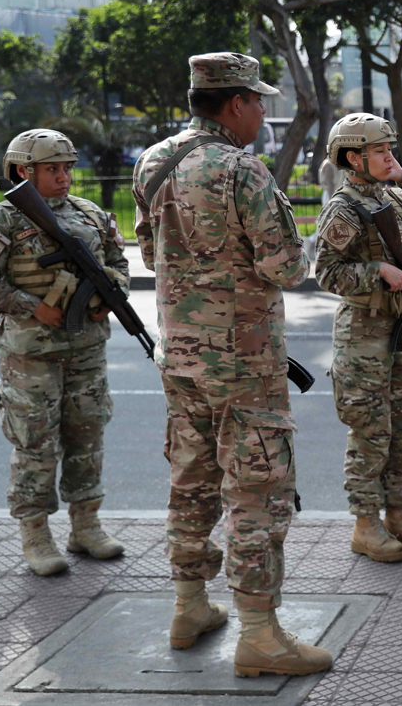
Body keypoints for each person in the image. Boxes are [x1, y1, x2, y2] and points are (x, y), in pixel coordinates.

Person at [133, 52, 330, 676]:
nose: (264, 114)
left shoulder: (153, 161)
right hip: (244, 363)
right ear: (236, 102)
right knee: (257, 494)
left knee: (189, 483)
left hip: (181, 356)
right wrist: (316, 243)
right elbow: (285, 268)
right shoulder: (240, 169)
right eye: (259, 102)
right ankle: (260, 635)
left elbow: (146, 249)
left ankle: (189, 606)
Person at [0, 129, 128, 576]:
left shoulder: (91, 215)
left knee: (86, 435)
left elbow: (120, 263)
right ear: (23, 171)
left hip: (86, 349)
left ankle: (86, 526)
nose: (64, 178)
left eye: (67, 168)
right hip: (30, 355)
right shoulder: (4, 221)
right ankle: (36, 534)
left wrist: (107, 291)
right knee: (35, 444)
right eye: (52, 169)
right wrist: (30, 306)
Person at [313, 113, 402, 562]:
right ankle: (365, 523)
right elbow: (325, 272)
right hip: (363, 337)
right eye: (379, 151)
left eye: (390, 149)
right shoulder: (344, 207)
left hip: (401, 331)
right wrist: (377, 272)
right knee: (371, 431)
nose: (389, 156)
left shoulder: (391, 194)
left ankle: (398, 513)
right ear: (353, 157)